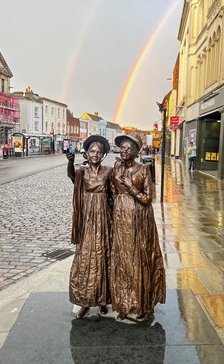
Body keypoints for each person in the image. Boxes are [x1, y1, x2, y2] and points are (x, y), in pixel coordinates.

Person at [110, 132, 166, 322]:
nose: (124, 151)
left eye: (129, 148)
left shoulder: (143, 169)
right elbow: (110, 190)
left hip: (138, 221)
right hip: (120, 220)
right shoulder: (116, 167)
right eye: (122, 148)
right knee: (123, 262)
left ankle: (144, 306)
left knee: (138, 262)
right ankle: (124, 303)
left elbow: (147, 199)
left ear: (136, 151)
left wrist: (130, 187)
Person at [66, 135, 113, 319]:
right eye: (92, 151)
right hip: (87, 219)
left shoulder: (108, 171)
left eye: (98, 152)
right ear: (86, 153)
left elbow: (115, 193)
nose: (95, 154)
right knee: (85, 259)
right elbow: (71, 177)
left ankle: (103, 300)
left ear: (103, 155)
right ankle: (85, 301)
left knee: (103, 257)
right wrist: (70, 163)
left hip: (104, 219)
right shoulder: (81, 172)